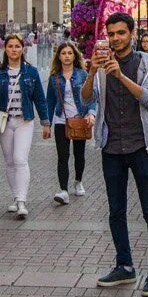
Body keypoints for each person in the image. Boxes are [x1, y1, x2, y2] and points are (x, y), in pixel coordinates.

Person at [83, 12, 148, 297]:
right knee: (116, 211)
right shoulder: (102, 64)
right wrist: (93, 71)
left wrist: (120, 75)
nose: (116, 38)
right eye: (112, 34)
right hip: (112, 147)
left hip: (142, 145)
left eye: (121, 33)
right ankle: (125, 266)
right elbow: (85, 98)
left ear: (131, 33)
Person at [0, 34, 51, 220]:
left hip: (24, 121)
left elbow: (40, 98)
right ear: (5, 49)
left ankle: (22, 201)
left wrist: (45, 122)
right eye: (11, 46)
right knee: (10, 161)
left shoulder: (31, 72)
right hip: (4, 122)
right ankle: (16, 195)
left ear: (23, 49)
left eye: (17, 46)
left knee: (20, 159)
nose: (14, 50)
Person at [47, 41, 95, 205]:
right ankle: (63, 190)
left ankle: (78, 181)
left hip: (80, 118)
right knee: (63, 156)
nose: (66, 56)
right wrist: (46, 123)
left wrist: (91, 113)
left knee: (79, 154)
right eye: (63, 53)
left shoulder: (82, 74)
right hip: (61, 119)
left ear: (75, 55)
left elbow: (91, 96)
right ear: (59, 56)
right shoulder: (54, 76)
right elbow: (50, 100)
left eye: (69, 53)